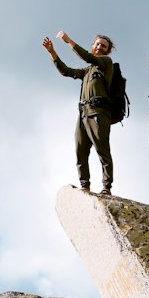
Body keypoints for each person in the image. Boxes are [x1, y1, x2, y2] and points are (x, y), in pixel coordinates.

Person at [42, 30, 116, 196]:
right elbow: (67, 71)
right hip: (83, 113)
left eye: (103, 46)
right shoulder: (88, 70)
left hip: (99, 112)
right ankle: (85, 186)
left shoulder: (106, 62)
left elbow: (88, 57)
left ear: (107, 51)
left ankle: (106, 187)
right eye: (97, 44)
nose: (99, 47)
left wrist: (68, 41)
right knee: (80, 151)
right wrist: (52, 53)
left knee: (102, 150)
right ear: (92, 46)